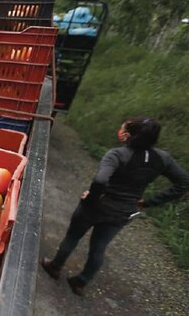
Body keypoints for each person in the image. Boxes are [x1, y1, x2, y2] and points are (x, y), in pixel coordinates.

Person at [42, 117, 189, 295]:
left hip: (96, 206)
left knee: (73, 236)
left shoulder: (117, 155)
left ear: (127, 135)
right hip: (122, 212)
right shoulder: (162, 159)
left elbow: (101, 180)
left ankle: (55, 266)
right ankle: (81, 282)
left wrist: (91, 198)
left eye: (123, 127)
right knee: (99, 247)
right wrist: (149, 202)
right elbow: (184, 182)